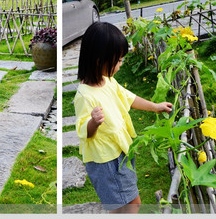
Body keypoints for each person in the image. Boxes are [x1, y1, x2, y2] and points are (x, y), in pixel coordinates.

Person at [74, 22, 173, 213]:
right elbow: (82, 131)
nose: (120, 65)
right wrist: (93, 122)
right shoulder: (85, 95)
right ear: (98, 60)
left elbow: (128, 97)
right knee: (130, 204)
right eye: (118, 61)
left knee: (126, 204)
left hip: (120, 151)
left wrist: (155, 107)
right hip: (106, 161)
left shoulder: (107, 80)